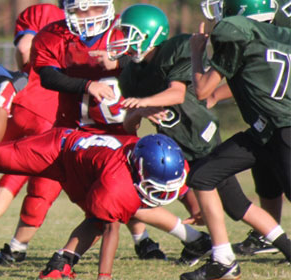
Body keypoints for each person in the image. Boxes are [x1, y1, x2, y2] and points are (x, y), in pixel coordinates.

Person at [0, 73, 212, 280]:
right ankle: (6, 90)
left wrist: (193, 207)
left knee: (96, 217)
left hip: (83, 170)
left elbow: (174, 183)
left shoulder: (156, 158)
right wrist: (104, 276)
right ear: (137, 170)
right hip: (56, 150)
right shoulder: (118, 183)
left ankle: (63, 260)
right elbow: (111, 232)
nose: (161, 193)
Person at [106, 3, 291, 268]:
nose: (122, 39)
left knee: (238, 204)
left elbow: (188, 92)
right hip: (203, 142)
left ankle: (267, 247)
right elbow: (131, 126)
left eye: (128, 32)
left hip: (213, 139)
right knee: (195, 182)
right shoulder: (132, 74)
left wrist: (194, 53)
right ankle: (213, 251)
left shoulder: (180, 49)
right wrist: (140, 111)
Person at [30, 0, 179, 262]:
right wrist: (88, 85)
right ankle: (165, 239)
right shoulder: (52, 36)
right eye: (80, 8)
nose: (88, 15)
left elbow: (149, 60)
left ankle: (163, 239)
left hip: (120, 129)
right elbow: (48, 77)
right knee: (101, 198)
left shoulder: (125, 28)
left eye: (95, 7)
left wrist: (124, 67)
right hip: (78, 131)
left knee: (129, 189)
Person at [180, 0, 291, 279]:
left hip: (283, 130)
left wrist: (196, 53)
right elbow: (248, 75)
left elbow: (203, 90)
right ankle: (223, 259)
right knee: (203, 176)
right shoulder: (275, 38)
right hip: (262, 132)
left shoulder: (238, 32)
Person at [0, 4, 65, 266]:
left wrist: (25, 73)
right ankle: (16, 247)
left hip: (23, 99)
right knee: (49, 188)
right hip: (56, 114)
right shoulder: (94, 25)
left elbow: (23, 48)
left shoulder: (42, 12)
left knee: (9, 172)